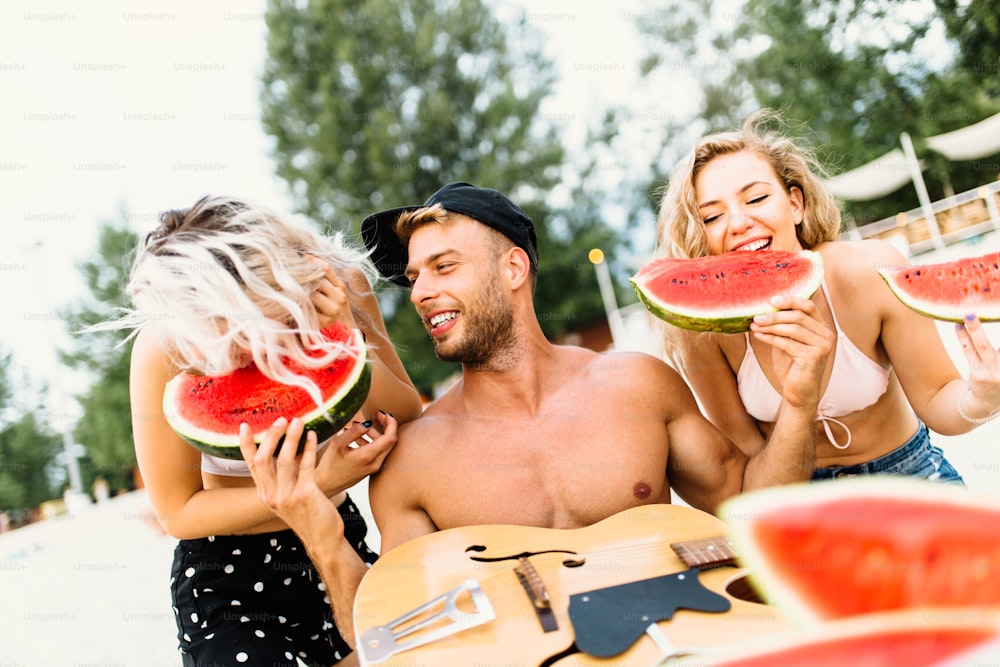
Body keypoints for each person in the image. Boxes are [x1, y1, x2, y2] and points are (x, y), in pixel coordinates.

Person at [240, 181, 832, 648]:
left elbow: (755, 504)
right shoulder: (414, 459)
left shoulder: (638, 384)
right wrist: (316, 527)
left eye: (445, 267)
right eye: (415, 278)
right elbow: (392, 633)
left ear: (514, 270)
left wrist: (800, 404)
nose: (419, 292)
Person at [101, 195, 423, 667]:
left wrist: (344, 334)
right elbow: (178, 513)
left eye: (232, 331)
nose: (223, 356)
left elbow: (405, 412)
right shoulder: (162, 345)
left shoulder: (341, 285)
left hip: (340, 539)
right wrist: (319, 484)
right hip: (227, 576)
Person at [655, 109, 1000, 484]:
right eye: (711, 217)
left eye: (755, 199)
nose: (738, 224)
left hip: (910, 474)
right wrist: (796, 401)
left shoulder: (871, 272)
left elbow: (940, 405)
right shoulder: (699, 329)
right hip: (797, 493)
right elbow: (750, 467)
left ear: (795, 204)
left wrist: (982, 399)